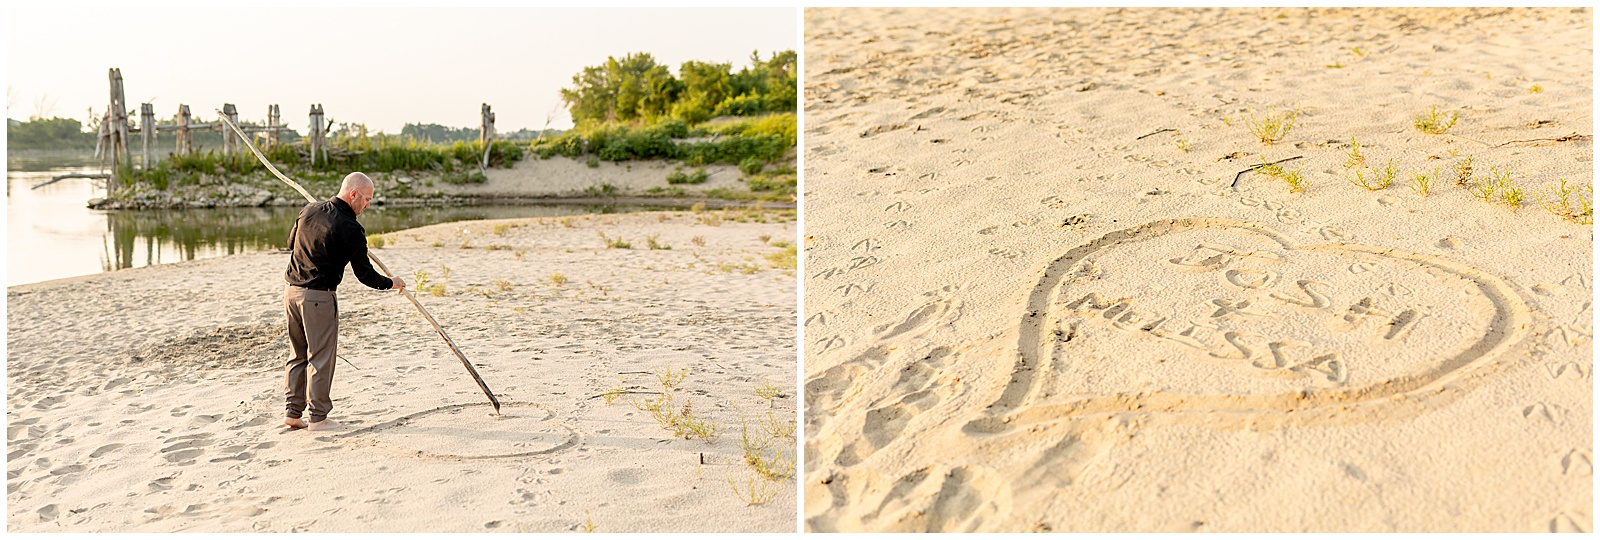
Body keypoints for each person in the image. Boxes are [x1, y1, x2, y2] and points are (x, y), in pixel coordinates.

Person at [282, 172, 405, 431]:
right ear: (353, 194)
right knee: (321, 357)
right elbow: (365, 275)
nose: (369, 205)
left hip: (291, 293)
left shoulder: (309, 209)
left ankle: (293, 413)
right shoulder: (351, 227)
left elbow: (291, 243)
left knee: (298, 355)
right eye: (367, 199)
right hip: (318, 298)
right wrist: (390, 282)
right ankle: (318, 418)